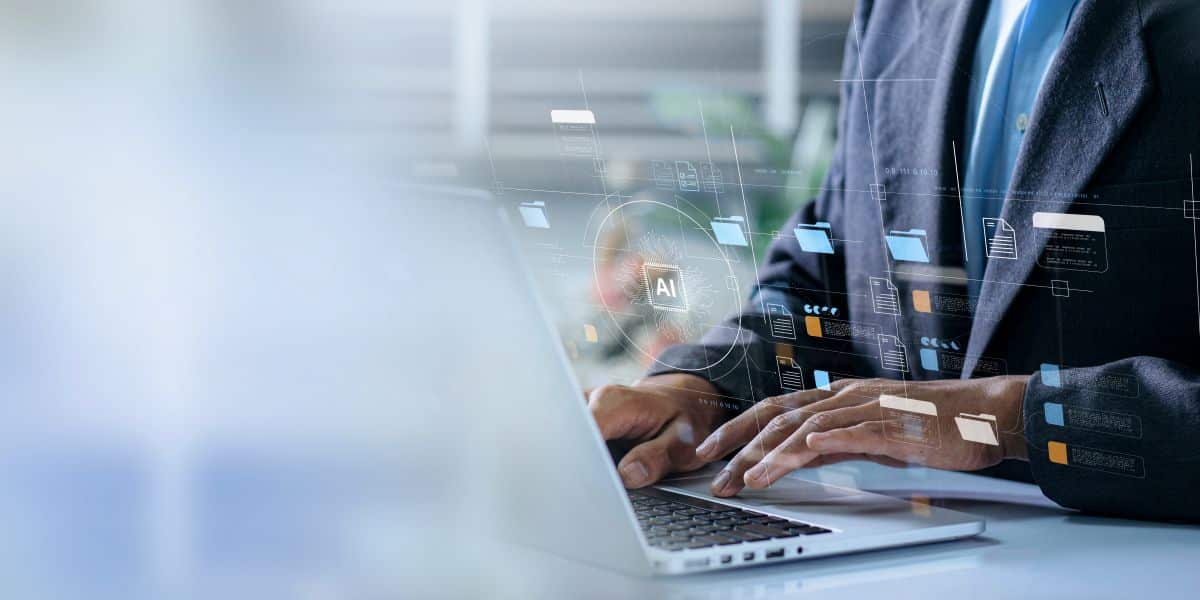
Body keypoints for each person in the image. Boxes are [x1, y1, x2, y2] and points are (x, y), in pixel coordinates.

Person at [590, 0, 1200, 522]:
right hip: (905, 552)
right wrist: (707, 388)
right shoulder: (895, 10)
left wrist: (1013, 419)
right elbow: (829, 265)